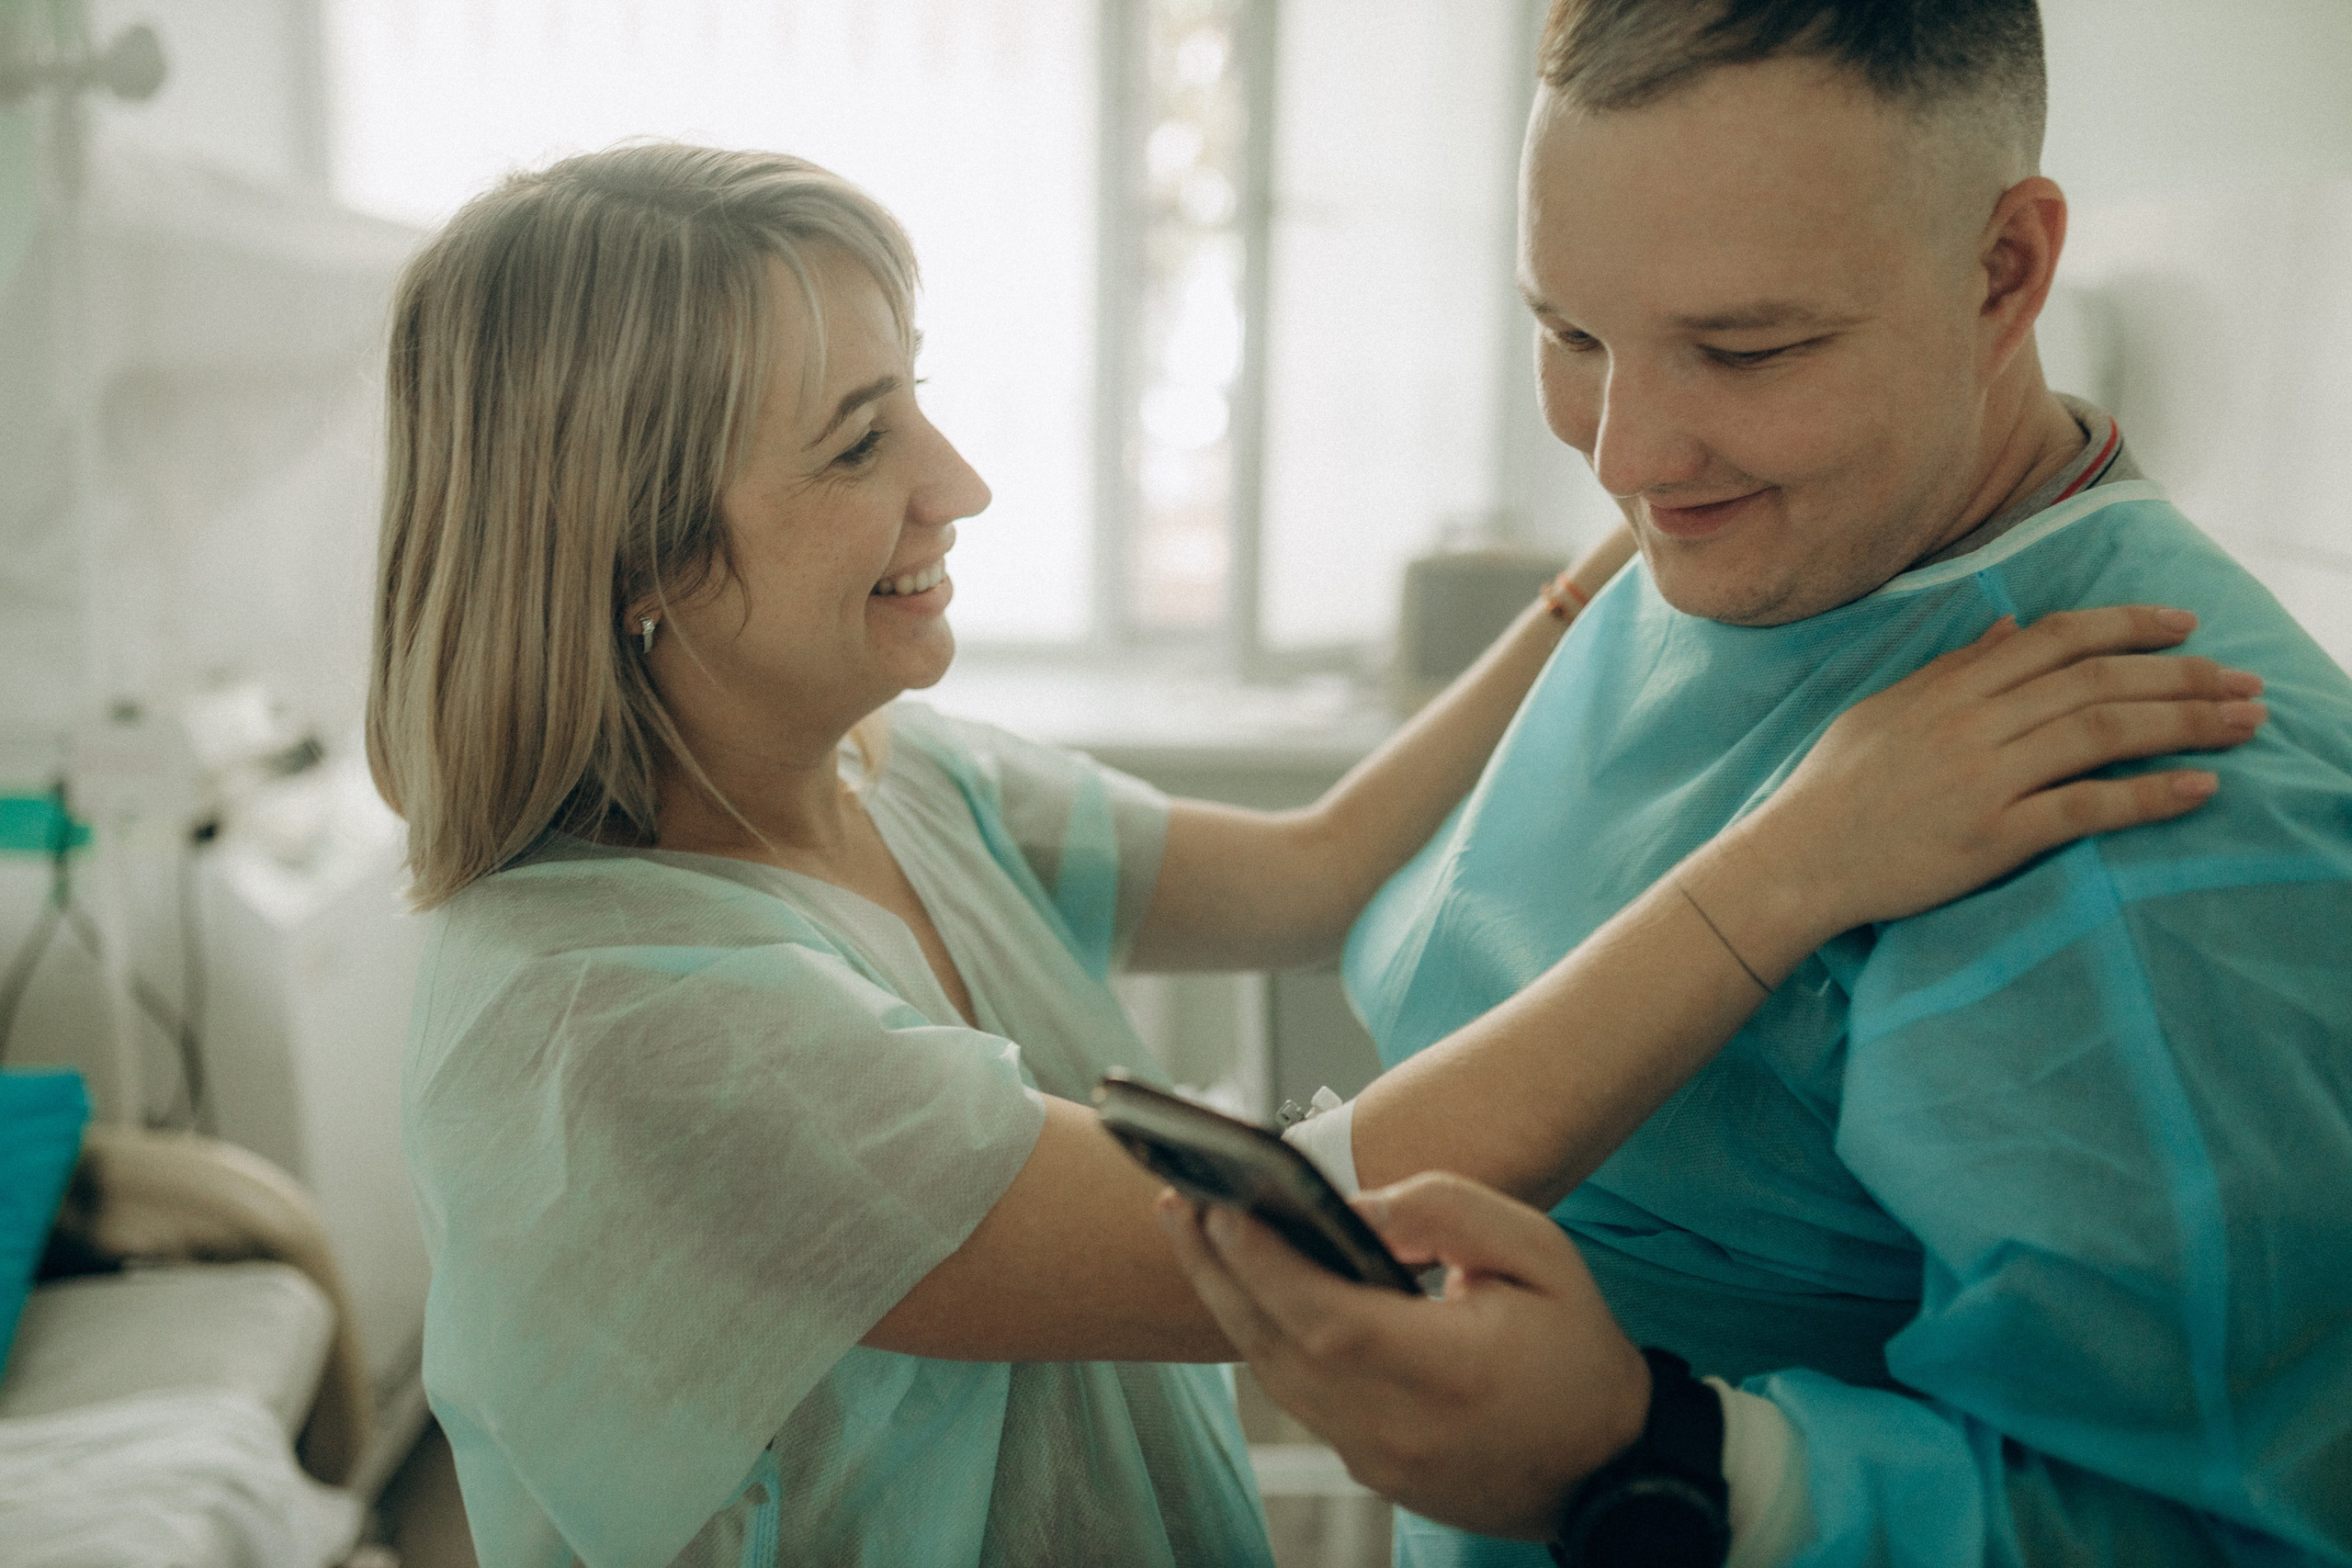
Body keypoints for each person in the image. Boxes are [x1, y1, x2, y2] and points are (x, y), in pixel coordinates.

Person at [367, 142, 2265, 1568]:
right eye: (861, 444)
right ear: (634, 559)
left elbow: (1311, 865)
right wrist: (1801, 850)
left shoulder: (894, 771)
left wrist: (1601, 595)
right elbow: (1274, 1226)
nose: (957, 481)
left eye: (920, 394)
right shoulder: (606, 1028)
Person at [1161, 3, 2352, 1565]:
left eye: (1747, 347)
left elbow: (2228, 1535)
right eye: (1571, 334)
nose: (1628, 454)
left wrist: (1660, 1457)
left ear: (2005, 272)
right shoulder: (1734, 552)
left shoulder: (2156, 812)